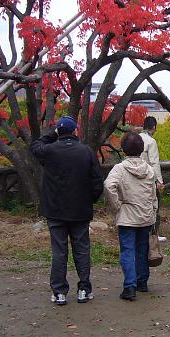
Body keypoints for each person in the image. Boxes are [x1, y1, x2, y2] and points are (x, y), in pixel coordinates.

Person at [32, 116, 104, 306]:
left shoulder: (49, 151)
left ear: (59, 132)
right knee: (82, 250)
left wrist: (52, 135)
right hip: (80, 209)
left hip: (55, 210)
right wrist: (90, 200)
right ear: (75, 131)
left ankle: (59, 292)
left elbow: (36, 145)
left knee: (59, 251)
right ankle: (84, 289)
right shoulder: (86, 152)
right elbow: (97, 182)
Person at [104, 131, 158, 301]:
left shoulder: (120, 169)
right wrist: (153, 210)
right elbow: (153, 194)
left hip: (127, 216)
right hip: (145, 215)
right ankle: (142, 282)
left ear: (124, 149)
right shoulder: (148, 169)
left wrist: (117, 205)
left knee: (127, 250)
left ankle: (129, 287)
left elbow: (108, 185)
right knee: (142, 249)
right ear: (141, 149)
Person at [140, 116, 164, 235]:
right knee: (153, 205)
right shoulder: (151, 141)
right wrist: (159, 181)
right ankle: (153, 233)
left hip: (134, 176)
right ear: (153, 127)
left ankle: (140, 230)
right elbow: (154, 162)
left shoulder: (136, 138)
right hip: (148, 177)